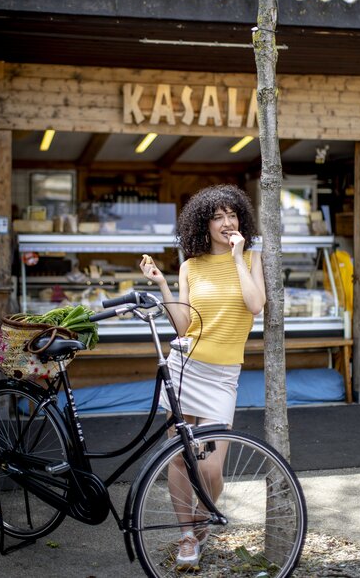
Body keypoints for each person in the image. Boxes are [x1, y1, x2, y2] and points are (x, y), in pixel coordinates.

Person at [140, 184, 265, 571]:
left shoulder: (250, 257)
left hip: (222, 375)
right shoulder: (190, 266)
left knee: (210, 469)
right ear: (204, 224)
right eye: (218, 217)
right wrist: (162, 284)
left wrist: (240, 256)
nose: (227, 222)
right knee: (178, 458)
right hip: (185, 368)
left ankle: (199, 522)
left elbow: (256, 305)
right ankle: (188, 538)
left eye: (232, 215)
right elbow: (184, 326)